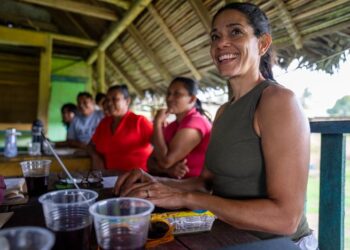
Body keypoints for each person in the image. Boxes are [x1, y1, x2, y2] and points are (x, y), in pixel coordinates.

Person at [114, 3, 317, 250]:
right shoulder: (223, 111)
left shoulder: (276, 101)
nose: (221, 43)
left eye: (235, 32)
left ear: (262, 44)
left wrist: (186, 197)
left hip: (280, 243)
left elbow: (286, 219)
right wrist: (156, 182)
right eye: (215, 36)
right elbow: (206, 183)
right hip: (232, 235)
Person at [148, 77, 212, 179]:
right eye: (168, 94)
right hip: (171, 183)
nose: (169, 98)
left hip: (192, 188)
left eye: (177, 94)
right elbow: (150, 163)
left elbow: (165, 162)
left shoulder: (196, 122)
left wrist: (157, 123)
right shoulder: (172, 126)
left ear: (192, 99)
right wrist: (168, 170)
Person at [88, 85, 153, 172]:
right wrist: (95, 156)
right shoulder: (104, 123)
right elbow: (91, 145)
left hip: (137, 178)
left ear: (127, 101)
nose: (109, 103)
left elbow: (159, 148)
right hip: (110, 177)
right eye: (107, 100)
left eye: (114, 99)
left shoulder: (139, 122)